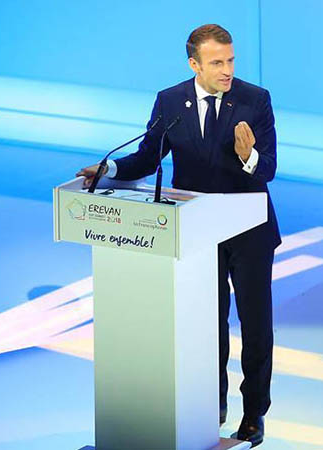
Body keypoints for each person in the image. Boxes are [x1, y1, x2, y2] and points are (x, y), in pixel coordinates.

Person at [76, 24, 279, 448]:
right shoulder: (170, 102)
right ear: (194, 64)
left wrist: (249, 156)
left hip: (248, 230)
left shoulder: (255, 99)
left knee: (255, 325)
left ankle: (254, 413)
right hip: (196, 230)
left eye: (231, 60)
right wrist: (109, 170)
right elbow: (148, 157)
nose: (227, 70)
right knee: (208, 324)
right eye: (217, 62)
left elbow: (268, 169)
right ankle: (211, 404)